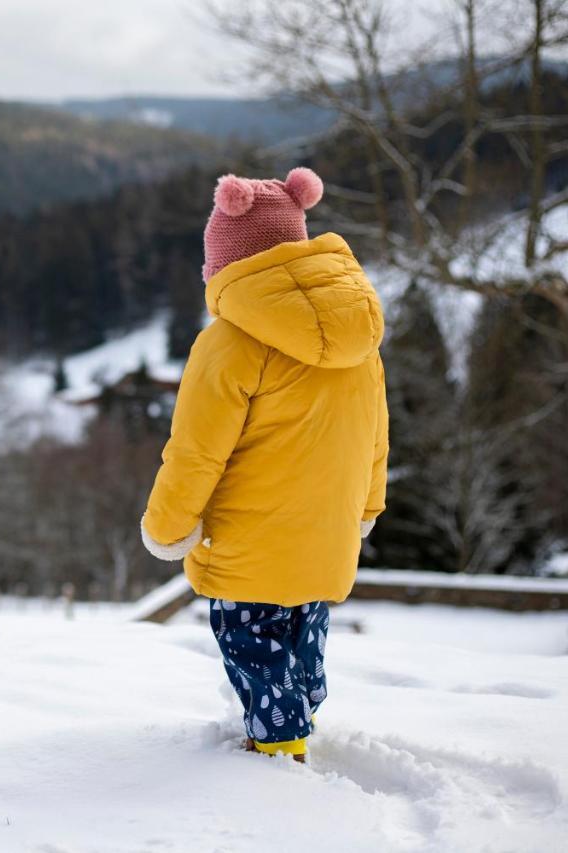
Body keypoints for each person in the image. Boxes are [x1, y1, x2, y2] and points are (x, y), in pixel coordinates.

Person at [140, 167, 388, 763]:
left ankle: (278, 754)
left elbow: (196, 451)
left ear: (225, 264)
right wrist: (366, 510)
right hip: (326, 536)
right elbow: (375, 437)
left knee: (253, 649)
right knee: (303, 640)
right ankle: (296, 721)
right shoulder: (360, 339)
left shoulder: (228, 343)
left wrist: (169, 526)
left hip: (248, 544)